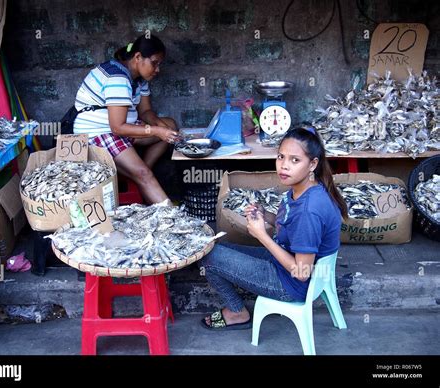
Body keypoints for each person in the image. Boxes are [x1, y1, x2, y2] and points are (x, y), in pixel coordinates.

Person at [200, 127, 348, 330]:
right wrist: (266, 215)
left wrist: (262, 235)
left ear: (313, 164)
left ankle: (236, 312)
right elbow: (291, 226)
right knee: (213, 246)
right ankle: (236, 310)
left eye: (295, 160)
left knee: (207, 256)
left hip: (291, 284)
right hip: (284, 261)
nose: (284, 166)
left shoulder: (309, 211)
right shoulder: (308, 188)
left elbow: (302, 271)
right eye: (281, 157)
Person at [73, 34, 179, 204]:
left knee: (171, 126)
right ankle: (171, 215)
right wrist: (157, 131)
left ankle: (141, 175)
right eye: (154, 63)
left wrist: (163, 129)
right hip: (99, 133)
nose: (157, 69)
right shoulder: (118, 78)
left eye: (159, 64)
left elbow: (145, 112)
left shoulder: (139, 79)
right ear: (138, 57)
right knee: (144, 173)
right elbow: (117, 128)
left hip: (122, 128)